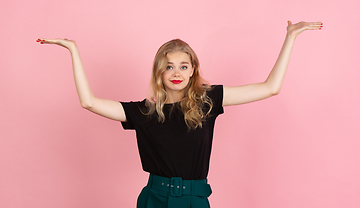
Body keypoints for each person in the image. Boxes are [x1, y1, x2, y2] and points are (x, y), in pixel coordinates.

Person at [37, 21, 323, 208]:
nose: (176, 73)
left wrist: (290, 37)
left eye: (184, 66)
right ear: (159, 72)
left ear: (193, 71)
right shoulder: (144, 112)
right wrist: (73, 50)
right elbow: (88, 102)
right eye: (169, 66)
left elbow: (270, 87)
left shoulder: (209, 100)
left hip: (193, 199)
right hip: (154, 197)